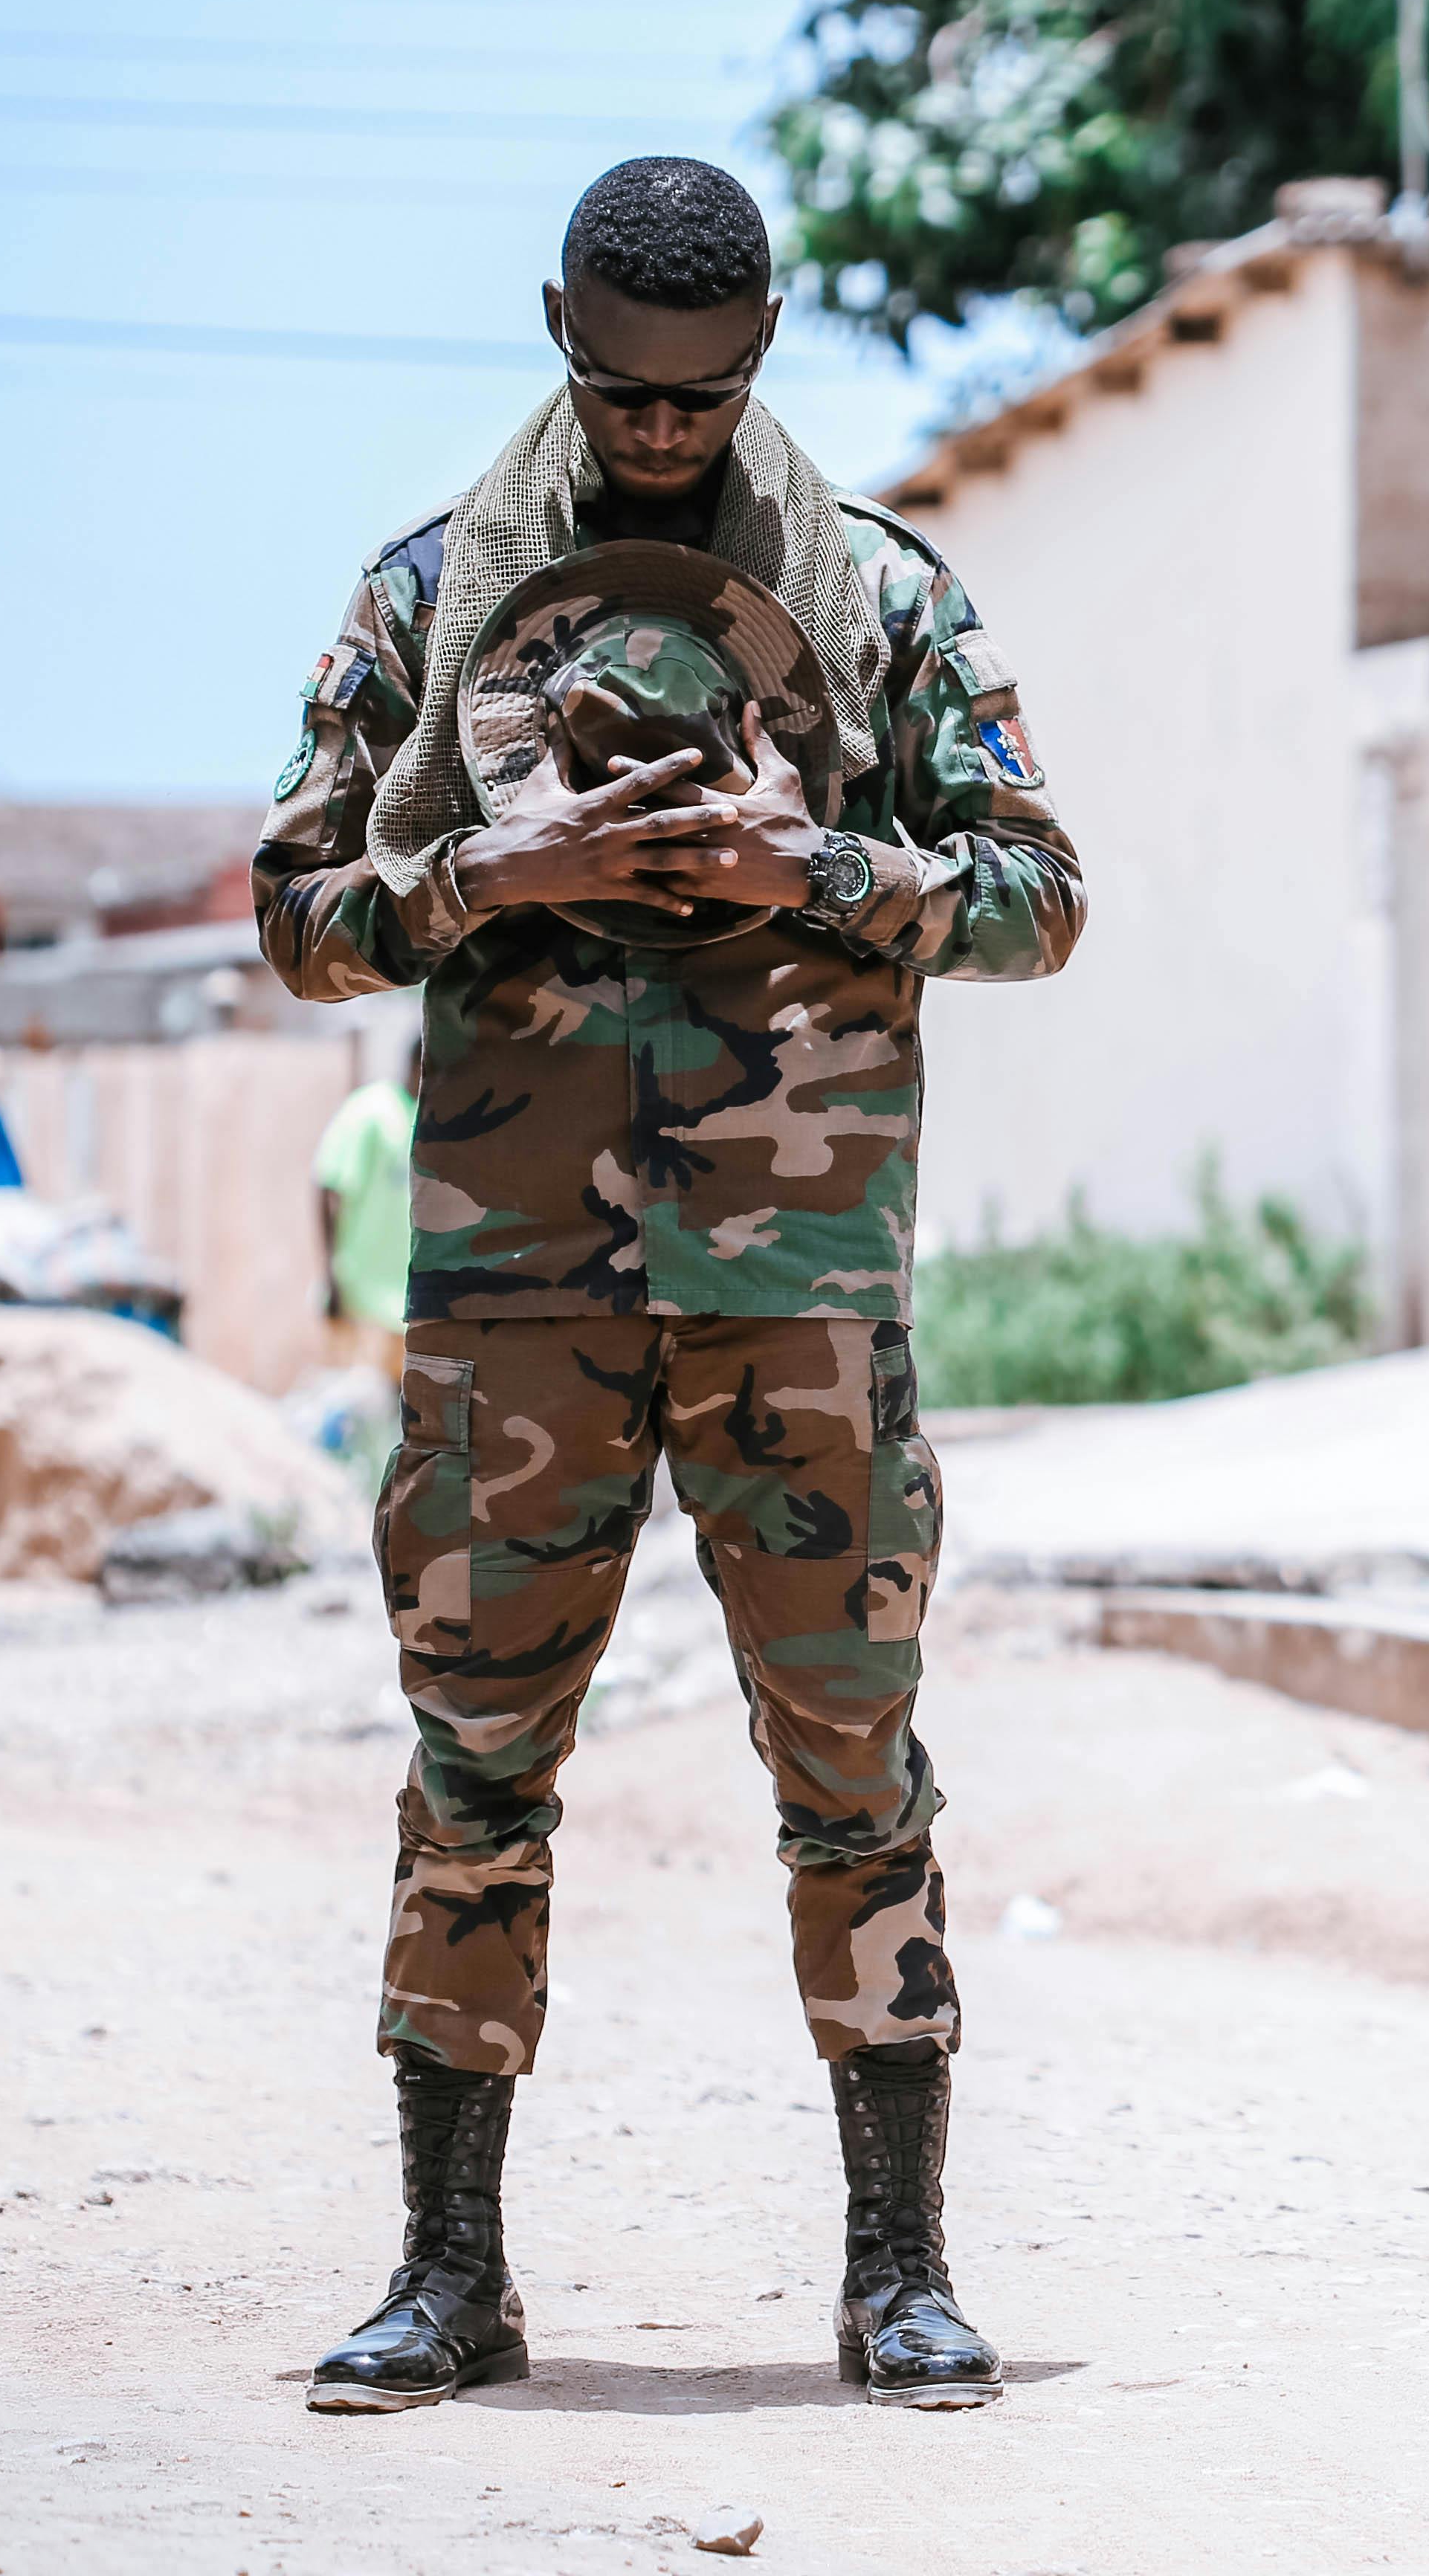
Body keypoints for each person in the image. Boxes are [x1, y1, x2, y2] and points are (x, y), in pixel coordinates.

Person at [250, 155, 1082, 2415]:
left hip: (802, 1276)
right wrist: (476, 868)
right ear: (558, 331)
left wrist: (808, 861)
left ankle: (898, 2277)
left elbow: (1036, 896)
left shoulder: (885, 599)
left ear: (765, 350)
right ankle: (448, 2277)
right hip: (514, 1287)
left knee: (854, 1768)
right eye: (620, 393)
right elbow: (297, 907)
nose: (658, 435)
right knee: (474, 1769)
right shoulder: (433, 596)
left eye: (700, 399)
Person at [311, 1036, 420, 1384]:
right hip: (361, 1303)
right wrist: (331, 1276)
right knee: (352, 1415)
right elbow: (328, 1188)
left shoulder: (435, 1121)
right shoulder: (372, 1110)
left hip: (409, 1309)